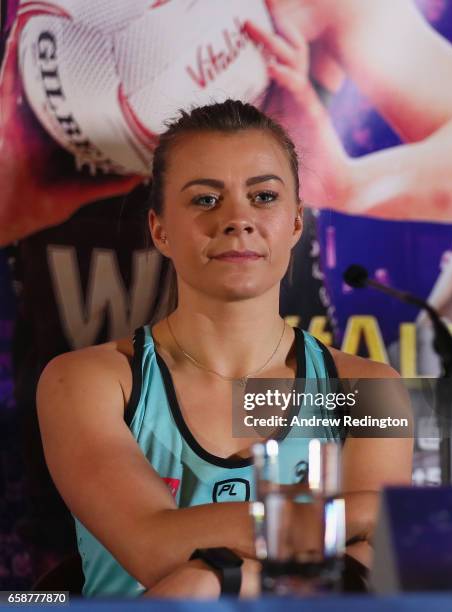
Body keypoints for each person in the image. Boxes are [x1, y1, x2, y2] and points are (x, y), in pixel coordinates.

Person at [36, 100, 412, 598]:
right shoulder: (86, 380)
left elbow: (371, 580)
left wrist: (217, 575)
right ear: (160, 230)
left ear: (296, 223)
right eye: (206, 200)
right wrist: (362, 513)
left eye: (263, 196)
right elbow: (154, 549)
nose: (237, 219)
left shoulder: (370, 388)